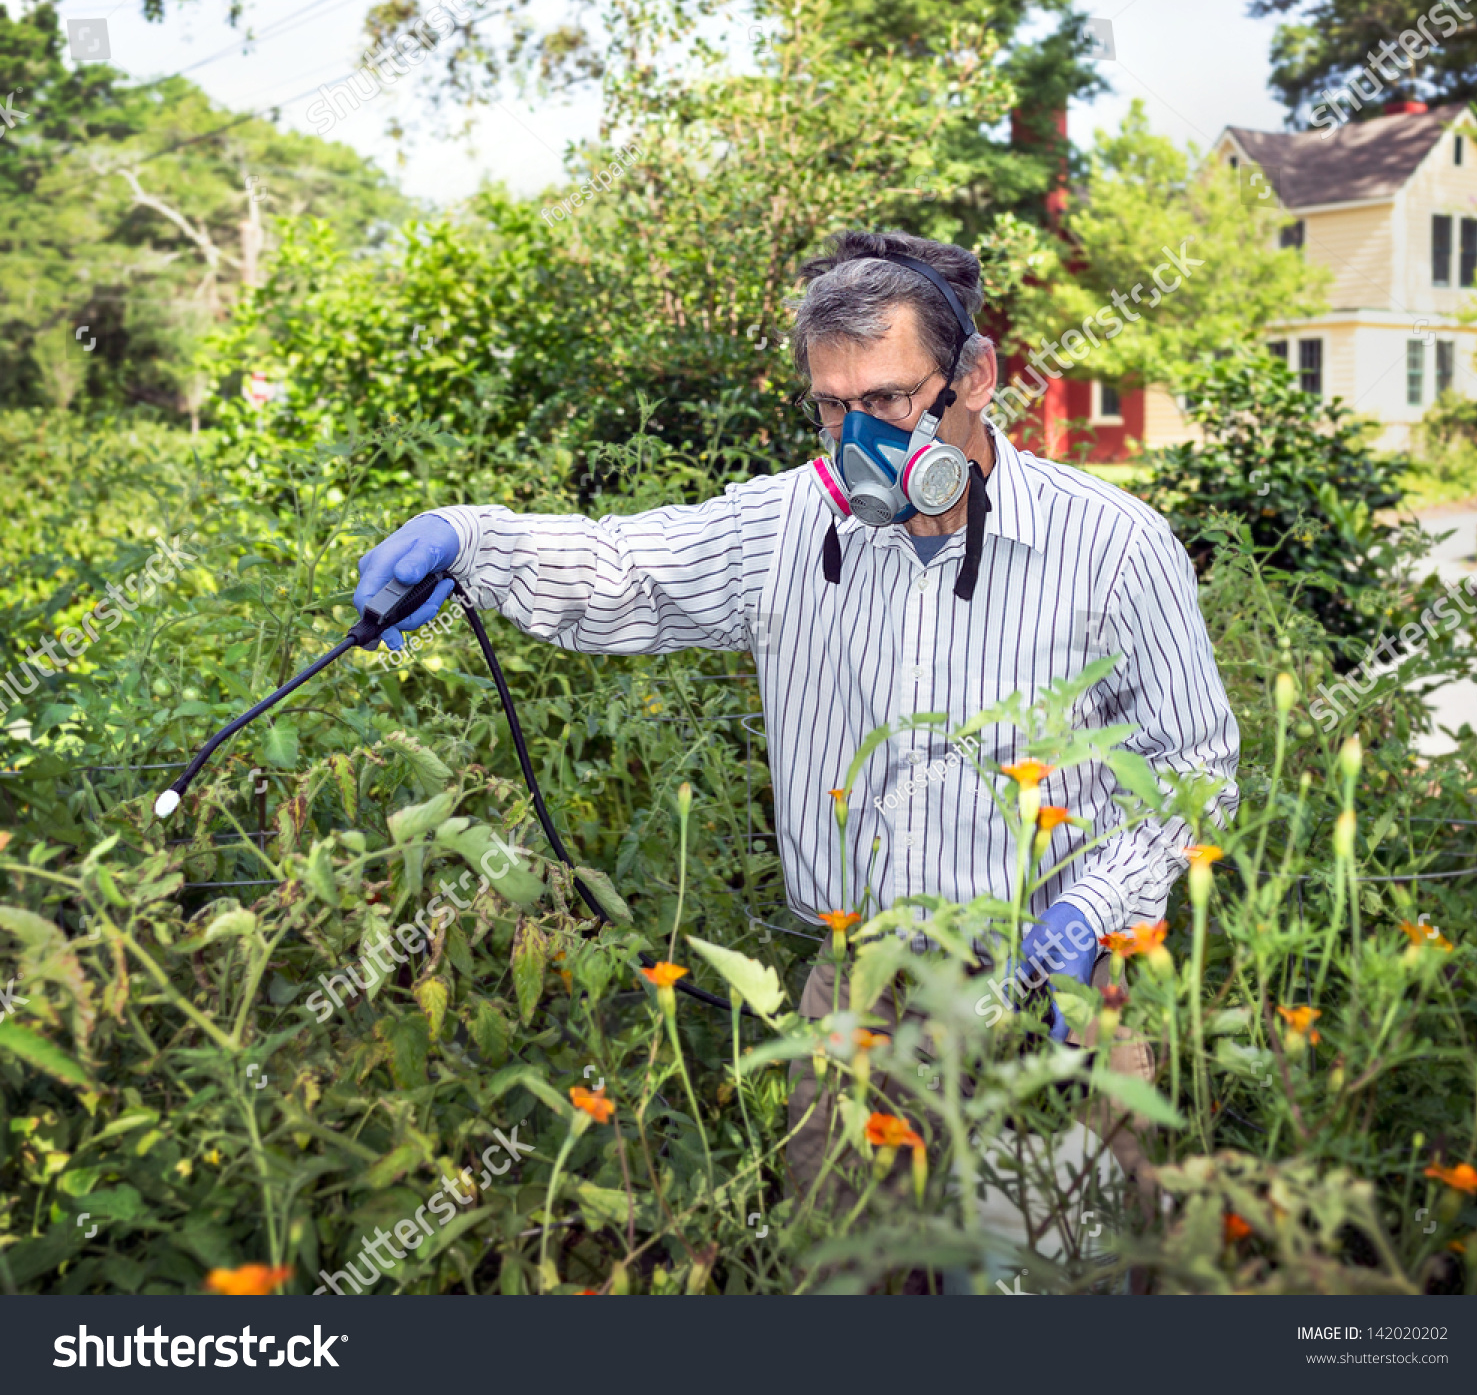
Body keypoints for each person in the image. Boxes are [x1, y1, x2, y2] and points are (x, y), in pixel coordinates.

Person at [353, 228, 1240, 1207]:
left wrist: (1089, 910)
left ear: (976, 376)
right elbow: (629, 571)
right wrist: (471, 543)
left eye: (889, 402)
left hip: (1065, 1000)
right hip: (863, 994)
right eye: (832, 408)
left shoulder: (1115, 545)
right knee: (854, 1273)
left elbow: (1197, 775)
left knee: (1064, 1283)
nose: (859, 443)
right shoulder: (789, 525)